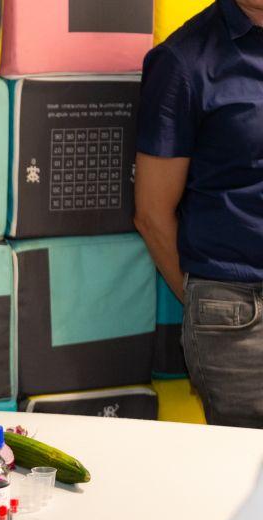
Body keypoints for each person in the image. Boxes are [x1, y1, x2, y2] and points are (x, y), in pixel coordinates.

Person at [135, 0, 263, 428]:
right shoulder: (182, 62)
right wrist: (205, 305)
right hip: (240, 320)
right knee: (251, 480)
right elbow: (151, 214)